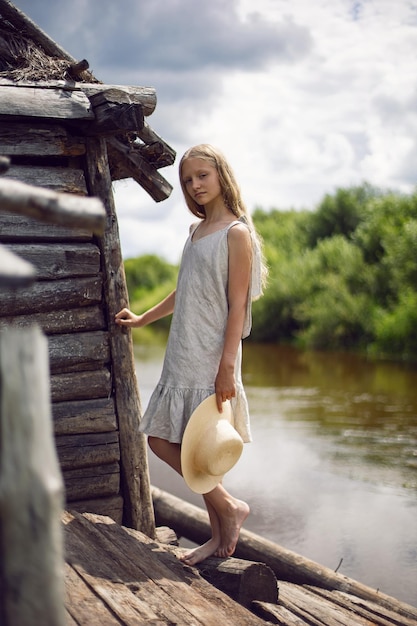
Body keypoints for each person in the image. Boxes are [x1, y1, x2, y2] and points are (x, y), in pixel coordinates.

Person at [115, 144, 267, 565]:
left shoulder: (237, 233)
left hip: (212, 355)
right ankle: (224, 521)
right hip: (182, 349)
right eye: (188, 180)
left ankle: (224, 524)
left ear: (221, 175)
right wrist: (145, 318)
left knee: (188, 445)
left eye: (202, 176)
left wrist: (227, 367)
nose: (195, 185)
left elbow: (238, 304)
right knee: (168, 439)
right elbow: (187, 291)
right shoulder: (196, 233)